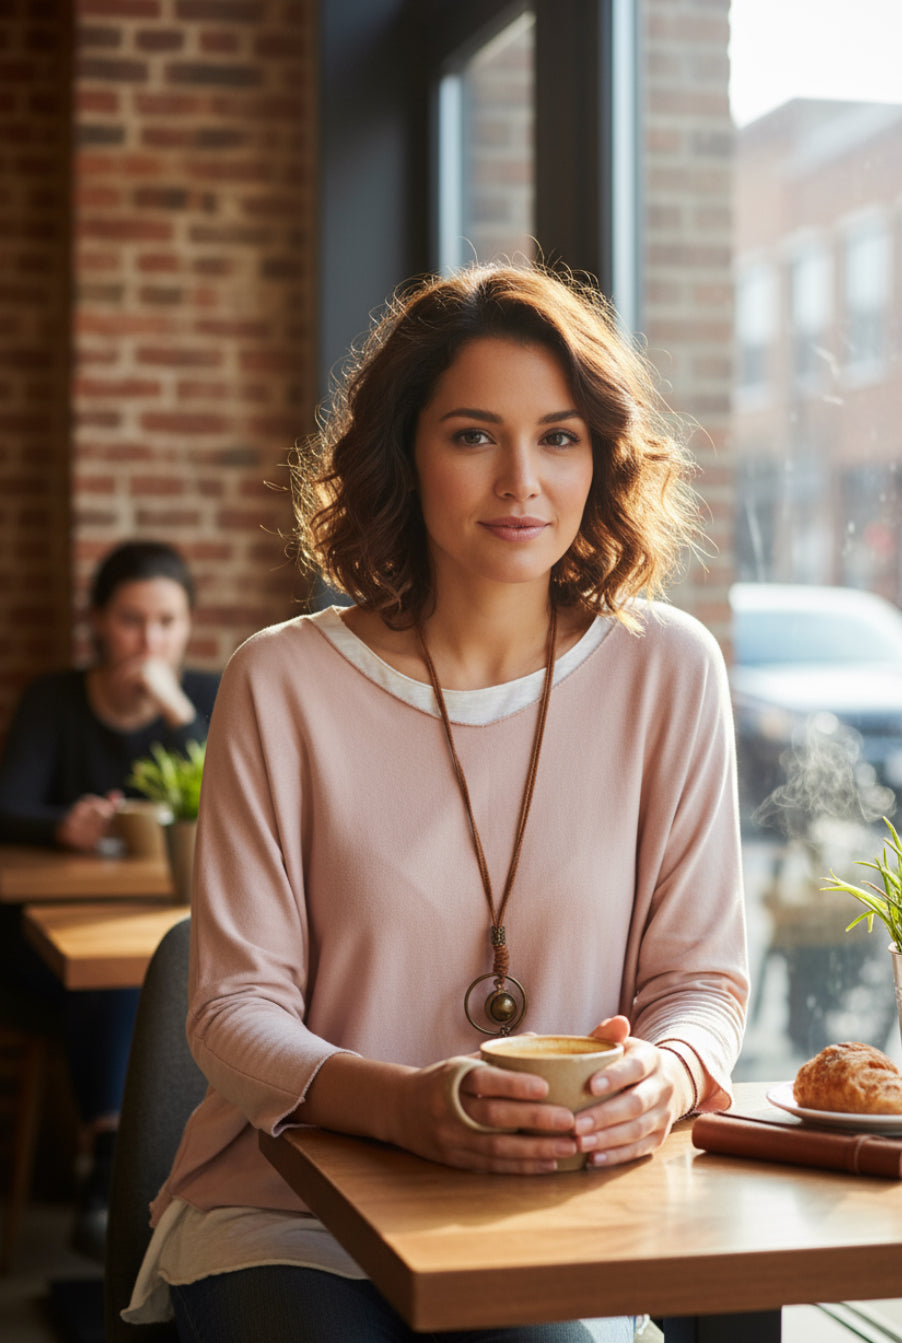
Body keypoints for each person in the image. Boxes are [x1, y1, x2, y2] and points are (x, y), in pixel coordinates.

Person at [125, 264, 748, 1342]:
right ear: (404, 452)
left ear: (600, 457)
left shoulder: (669, 669)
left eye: (558, 437)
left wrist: (671, 1069)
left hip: (541, 1209)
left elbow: (699, 983)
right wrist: (404, 1105)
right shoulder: (281, 680)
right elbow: (230, 1011)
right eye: (472, 436)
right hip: (292, 1210)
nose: (521, 481)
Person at [0, 539, 220, 1260]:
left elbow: (234, 799)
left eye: (167, 622)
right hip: (44, 951)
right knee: (113, 967)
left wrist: (175, 711)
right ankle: (115, 1174)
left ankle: (114, 1176)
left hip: (171, 935)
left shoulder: (206, 697)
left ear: (188, 626)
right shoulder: (56, 699)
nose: (148, 641)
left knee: (147, 961)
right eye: (131, 620)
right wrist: (60, 825)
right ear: (98, 622)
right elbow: (8, 804)